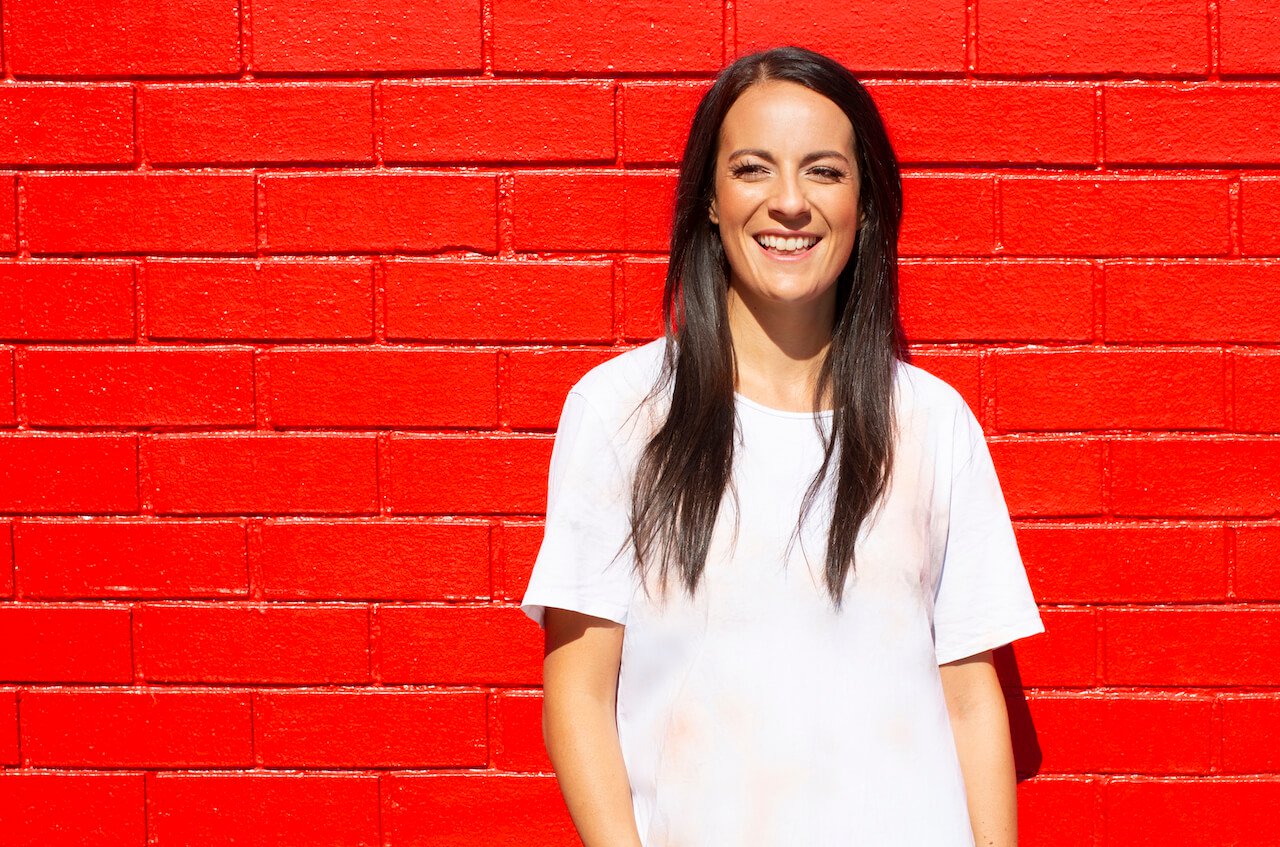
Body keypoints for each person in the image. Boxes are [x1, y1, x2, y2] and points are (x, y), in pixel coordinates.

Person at [521, 46, 1044, 847]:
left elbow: (973, 696)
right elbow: (579, 692)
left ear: (867, 203)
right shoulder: (622, 412)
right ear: (709, 198)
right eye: (754, 169)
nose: (790, 203)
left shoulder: (933, 423)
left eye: (825, 172)